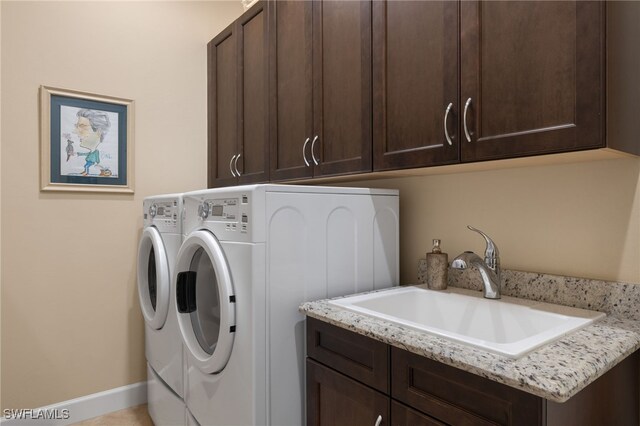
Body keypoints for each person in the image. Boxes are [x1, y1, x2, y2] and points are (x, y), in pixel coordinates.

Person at [74, 108, 110, 176]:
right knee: (86, 166)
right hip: (89, 161)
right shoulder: (91, 151)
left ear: (99, 131)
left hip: (91, 162)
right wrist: (78, 153)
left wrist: (98, 162)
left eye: (82, 126)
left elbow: (97, 157)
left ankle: (86, 172)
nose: (75, 131)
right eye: (76, 126)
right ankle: (85, 172)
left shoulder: (96, 152)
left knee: (86, 166)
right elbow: (86, 154)